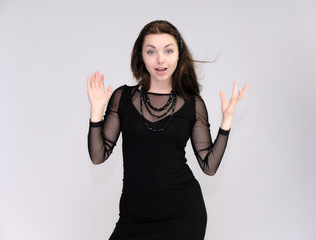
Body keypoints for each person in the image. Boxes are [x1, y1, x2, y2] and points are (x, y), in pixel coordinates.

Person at [87, 20, 249, 240]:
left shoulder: (193, 104)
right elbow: (98, 155)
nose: (160, 59)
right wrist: (97, 111)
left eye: (168, 50)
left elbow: (209, 166)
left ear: (179, 54)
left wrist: (226, 121)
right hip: (133, 216)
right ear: (141, 56)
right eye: (151, 51)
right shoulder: (122, 98)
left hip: (182, 214)